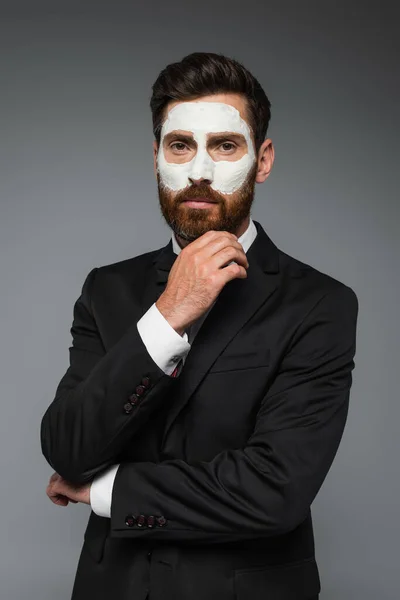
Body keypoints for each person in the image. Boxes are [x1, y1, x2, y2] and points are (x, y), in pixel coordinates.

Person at [41, 51, 359, 600]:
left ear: (262, 161)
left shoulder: (320, 304)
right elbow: (68, 446)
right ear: (157, 156)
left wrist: (105, 490)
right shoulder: (106, 289)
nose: (199, 171)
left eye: (225, 145)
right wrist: (168, 315)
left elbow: (274, 490)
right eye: (180, 145)